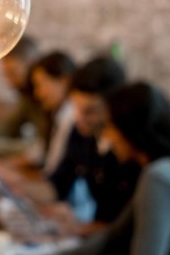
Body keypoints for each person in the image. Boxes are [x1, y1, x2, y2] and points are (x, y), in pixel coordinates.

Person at [66, 82, 170, 255]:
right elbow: (113, 237)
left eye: (111, 126)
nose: (107, 136)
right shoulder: (167, 169)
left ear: (130, 129)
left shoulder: (161, 178)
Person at [48, 57, 140, 231]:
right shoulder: (82, 134)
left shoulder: (132, 151)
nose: (79, 118)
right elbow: (59, 183)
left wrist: (79, 228)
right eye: (76, 107)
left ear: (115, 106)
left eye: (90, 111)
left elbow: (133, 230)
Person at [29, 51, 77, 175]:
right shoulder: (58, 115)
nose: (37, 94)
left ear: (64, 81)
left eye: (40, 85)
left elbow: (53, 173)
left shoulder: (71, 118)